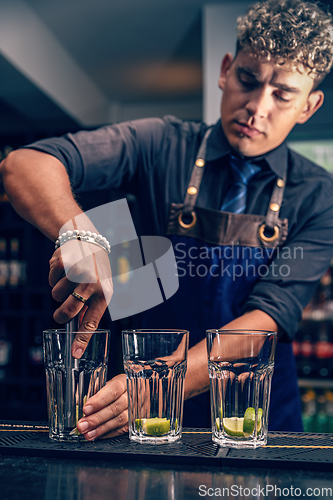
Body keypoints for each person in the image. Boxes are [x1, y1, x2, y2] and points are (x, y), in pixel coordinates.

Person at [1, 0, 333, 441]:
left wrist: (162, 381)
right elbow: (23, 164)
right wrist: (80, 232)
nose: (257, 107)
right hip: (138, 412)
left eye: (283, 94)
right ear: (226, 70)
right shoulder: (159, 144)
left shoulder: (319, 194)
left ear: (309, 106)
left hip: (251, 417)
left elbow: (265, 318)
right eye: (247, 80)